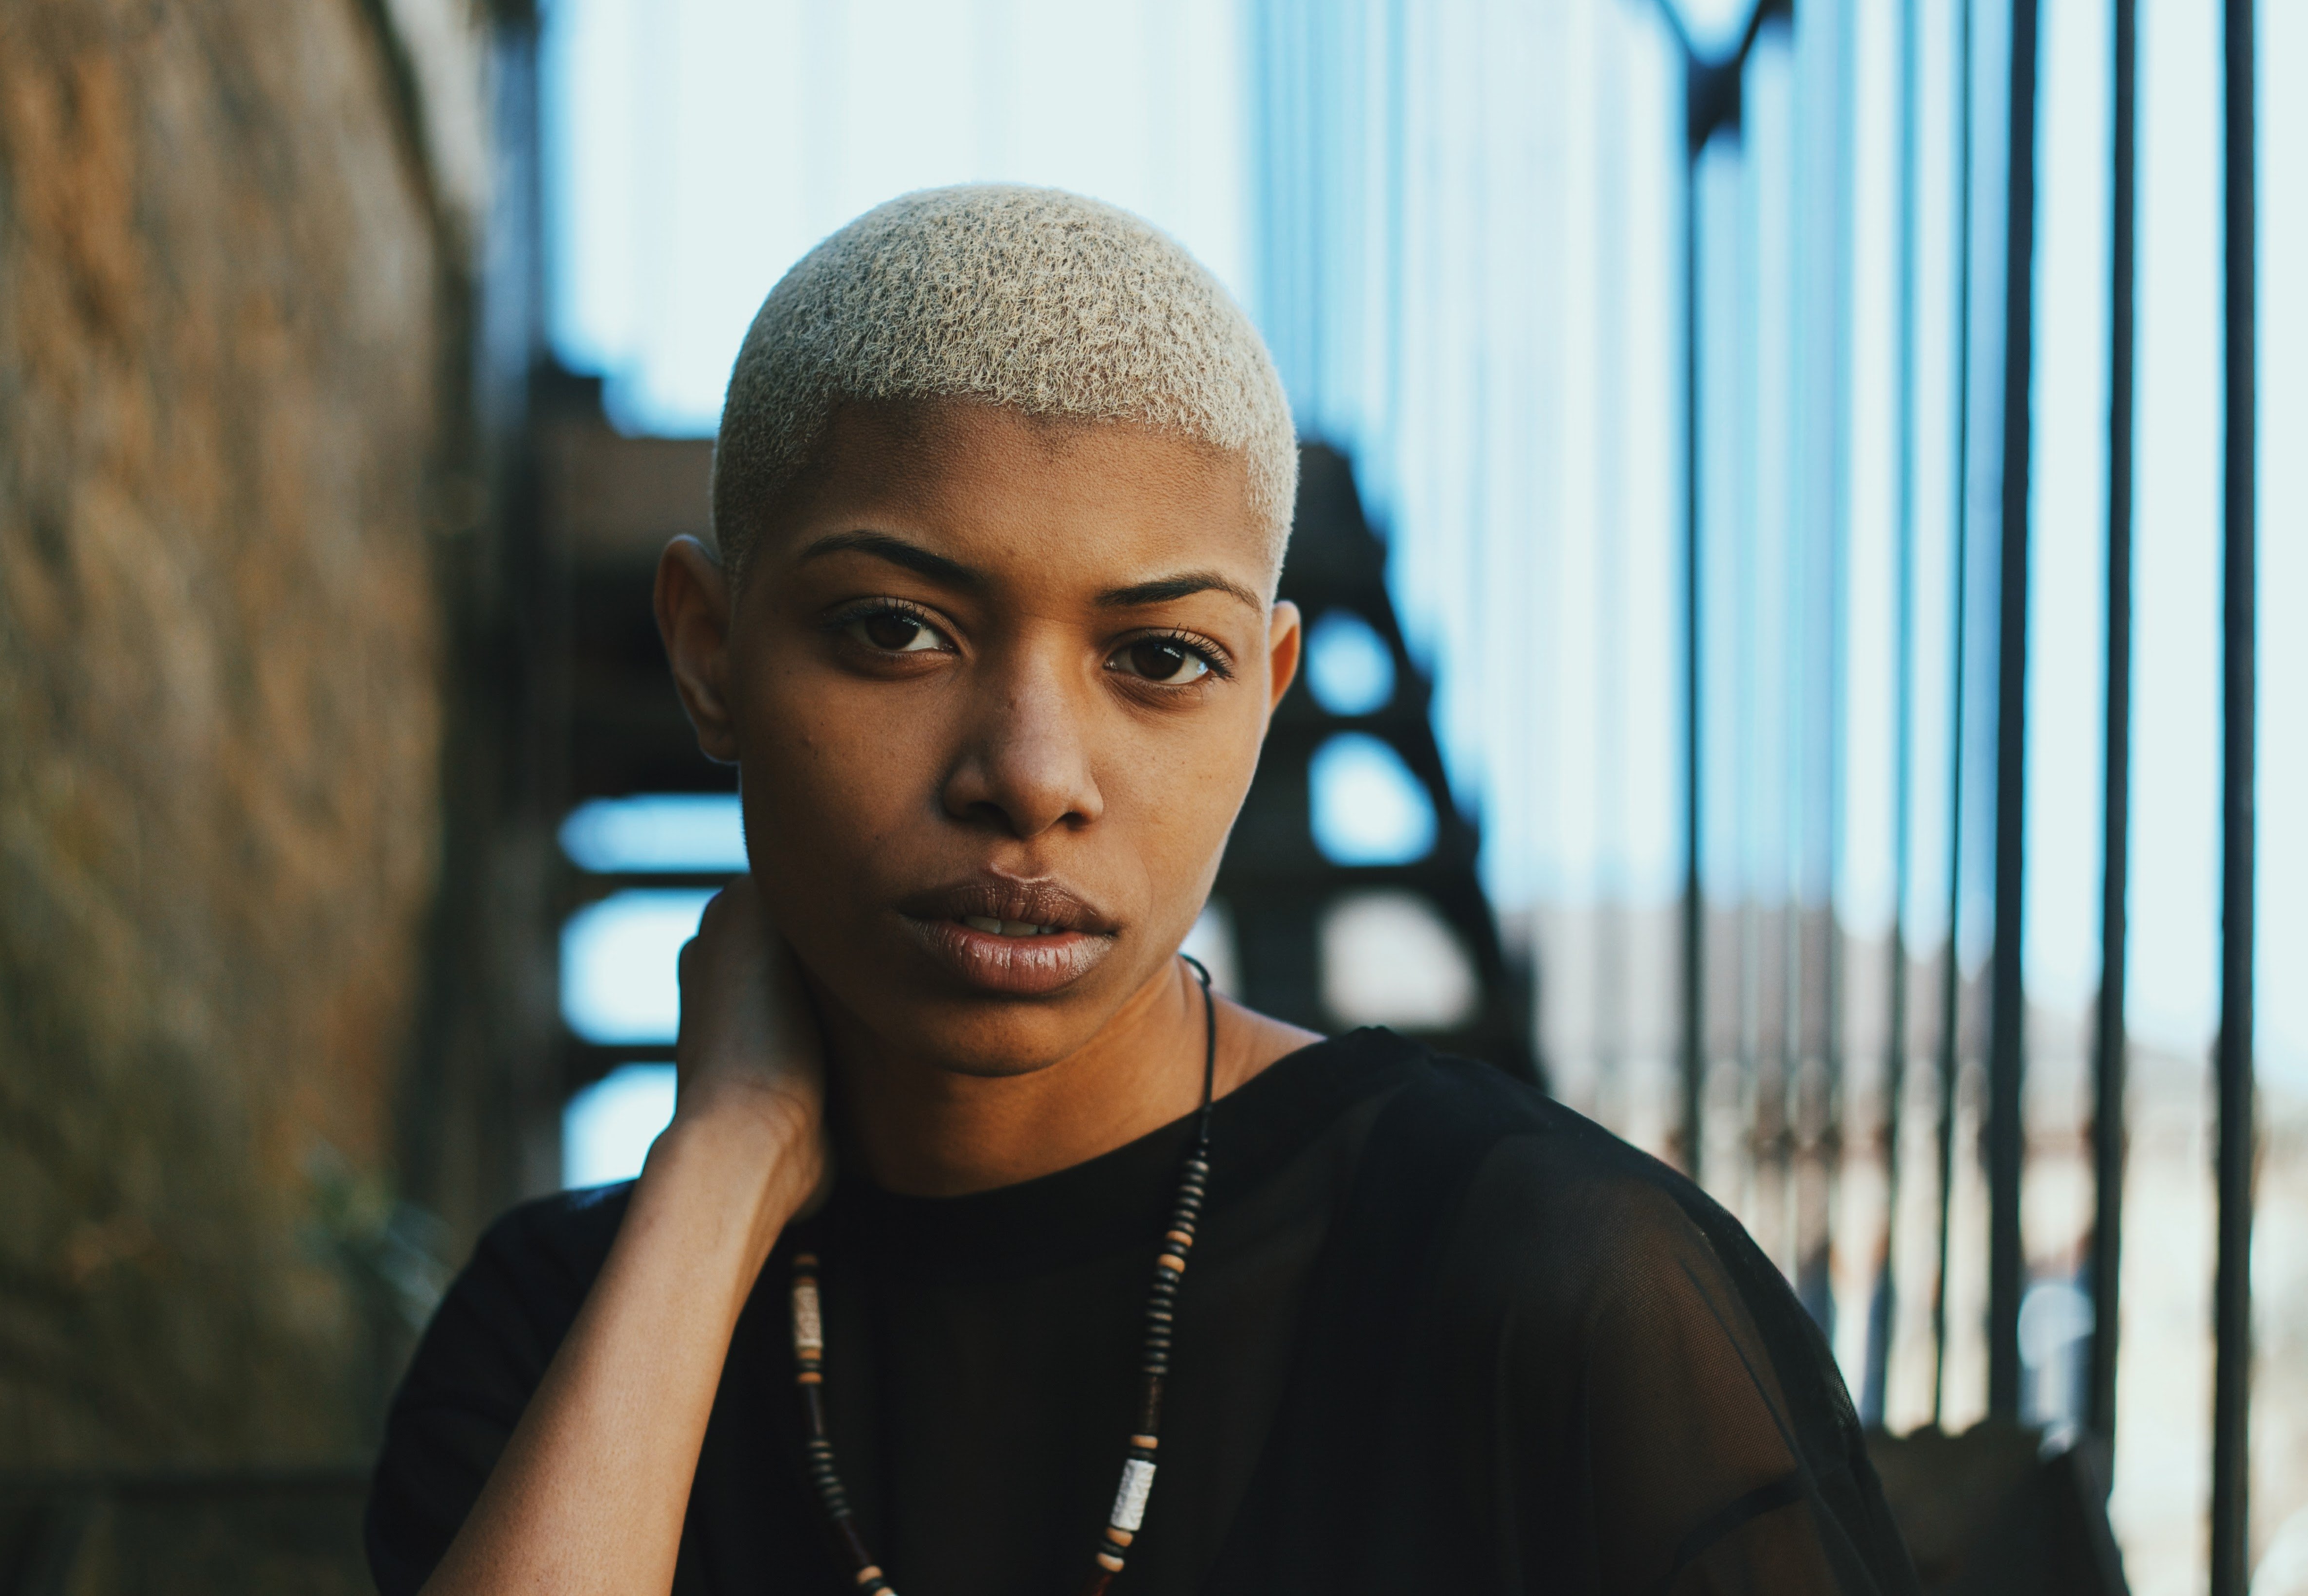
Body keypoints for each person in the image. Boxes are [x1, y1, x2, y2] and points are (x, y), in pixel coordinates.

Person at [366, 185, 1917, 1596]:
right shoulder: (562, 1331)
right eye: (898, 629)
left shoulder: (1548, 1282)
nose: (1033, 773)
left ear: (1265, 693)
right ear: (708, 648)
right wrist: (720, 1169)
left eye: (1161, 658)